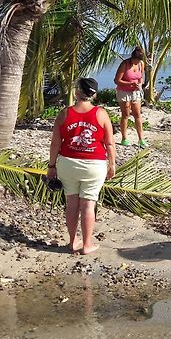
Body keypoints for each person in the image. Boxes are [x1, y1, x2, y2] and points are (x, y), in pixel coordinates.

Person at [47, 78, 116, 255]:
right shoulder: (101, 114)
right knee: (88, 205)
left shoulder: (65, 113)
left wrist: (51, 165)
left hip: (68, 163)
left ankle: (72, 242)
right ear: (94, 95)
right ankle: (87, 244)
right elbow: (109, 143)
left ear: (77, 93)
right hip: (95, 164)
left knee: (72, 203)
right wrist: (112, 164)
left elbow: (55, 143)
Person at [114, 46, 147, 147]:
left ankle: (141, 139)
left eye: (138, 61)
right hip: (124, 91)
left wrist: (139, 85)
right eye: (135, 61)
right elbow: (117, 80)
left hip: (135, 91)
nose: (136, 63)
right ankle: (124, 138)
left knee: (137, 114)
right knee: (126, 114)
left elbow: (140, 78)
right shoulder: (125, 64)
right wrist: (130, 84)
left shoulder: (141, 64)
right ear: (132, 58)